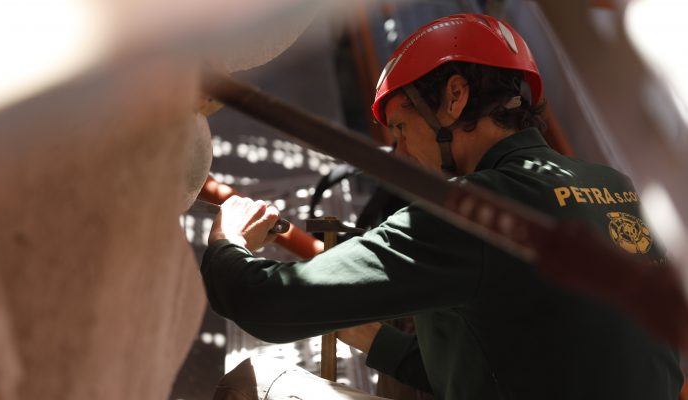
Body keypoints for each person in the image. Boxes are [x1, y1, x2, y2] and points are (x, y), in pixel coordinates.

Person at [200, 13, 683, 400]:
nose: (401, 152)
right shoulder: (617, 186)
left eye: (401, 128)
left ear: (454, 96)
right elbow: (507, 364)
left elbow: (260, 301)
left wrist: (227, 241)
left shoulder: (471, 209)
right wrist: (377, 341)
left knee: (254, 383)